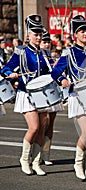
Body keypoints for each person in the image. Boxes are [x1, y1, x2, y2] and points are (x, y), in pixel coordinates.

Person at [51, 15, 86, 182]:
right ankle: (78, 164)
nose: (85, 34)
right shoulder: (69, 53)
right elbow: (55, 72)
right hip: (79, 96)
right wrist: (63, 80)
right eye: (81, 31)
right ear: (75, 35)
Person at [1, 14, 50, 176]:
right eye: (35, 34)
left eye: (40, 34)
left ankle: (36, 162)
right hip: (26, 93)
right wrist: (11, 74)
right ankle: (24, 159)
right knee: (34, 127)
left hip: (42, 94)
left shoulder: (43, 54)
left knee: (43, 127)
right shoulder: (21, 52)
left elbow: (48, 72)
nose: (38, 37)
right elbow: (6, 68)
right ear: (28, 35)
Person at [40, 29, 63, 165]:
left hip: (53, 91)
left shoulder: (52, 56)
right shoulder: (38, 57)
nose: (47, 45)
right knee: (43, 122)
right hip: (41, 93)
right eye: (44, 42)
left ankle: (46, 153)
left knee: (51, 123)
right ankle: (36, 151)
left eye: (48, 42)